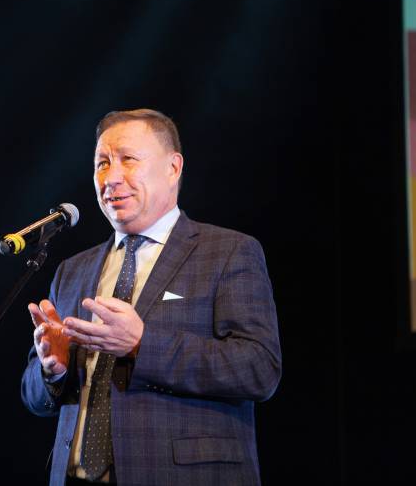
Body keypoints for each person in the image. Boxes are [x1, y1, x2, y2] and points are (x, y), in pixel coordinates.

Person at [21, 109, 281, 485]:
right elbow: (33, 396)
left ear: (173, 168)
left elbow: (259, 370)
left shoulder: (228, 252)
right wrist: (52, 370)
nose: (111, 178)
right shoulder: (72, 271)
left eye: (128, 159)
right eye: (102, 163)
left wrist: (142, 345)